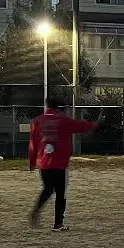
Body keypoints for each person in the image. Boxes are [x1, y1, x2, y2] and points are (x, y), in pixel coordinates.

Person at [28, 97, 96, 230]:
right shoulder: (64, 120)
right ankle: (58, 223)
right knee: (60, 192)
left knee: (47, 189)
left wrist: (32, 162)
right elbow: (81, 126)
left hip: (44, 162)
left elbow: (32, 144)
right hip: (59, 163)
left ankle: (36, 210)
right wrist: (95, 124)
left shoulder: (37, 121)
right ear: (59, 107)